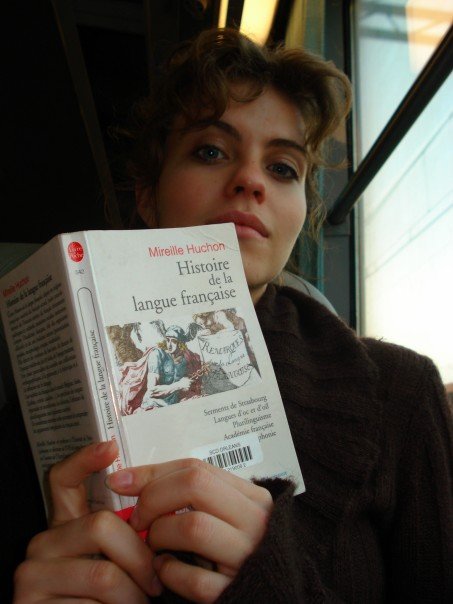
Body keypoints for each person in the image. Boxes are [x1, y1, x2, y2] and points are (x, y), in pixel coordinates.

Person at [11, 27, 453, 603]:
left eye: (284, 168)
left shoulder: (404, 395)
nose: (249, 180)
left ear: (302, 213)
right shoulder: (31, 416)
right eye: (211, 151)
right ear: (147, 193)